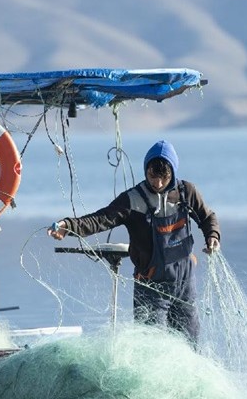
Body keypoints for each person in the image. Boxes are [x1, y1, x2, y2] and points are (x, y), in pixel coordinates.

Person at [48, 140, 221, 343]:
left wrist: (212, 236)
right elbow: (99, 220)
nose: (157, 184)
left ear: (172, 173)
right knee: (150, 348)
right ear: (145, 170)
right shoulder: (132, 200)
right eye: (152, 177)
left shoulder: (187, 192)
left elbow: (208, 217)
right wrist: (68, 225)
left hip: (184, 286)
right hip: (150, 288)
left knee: (190, 344)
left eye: (163, 178)